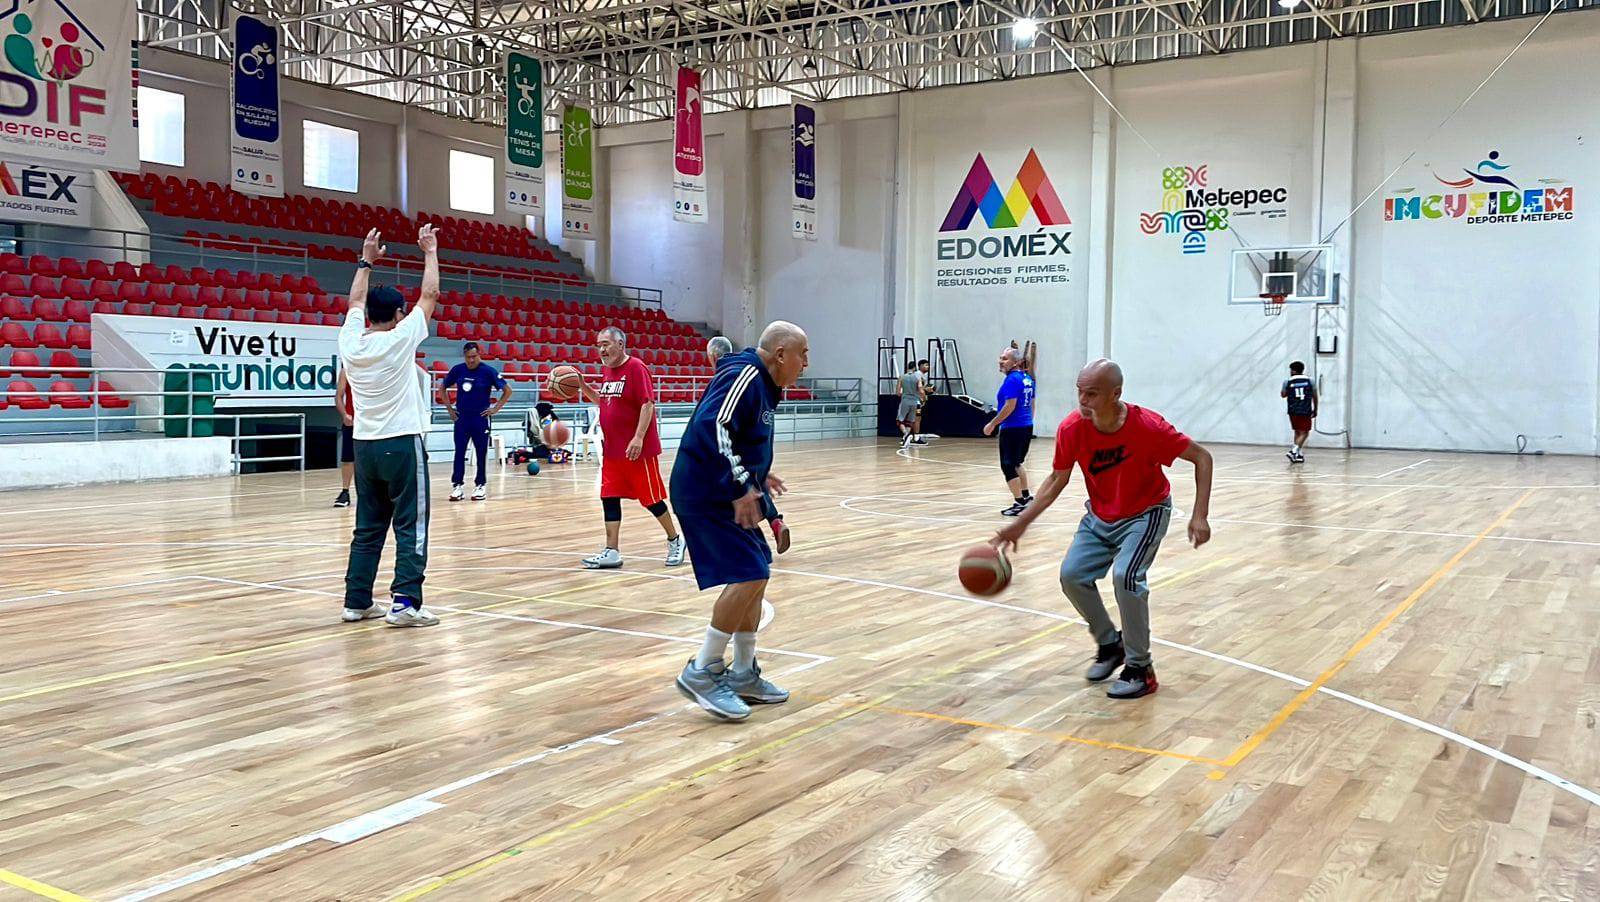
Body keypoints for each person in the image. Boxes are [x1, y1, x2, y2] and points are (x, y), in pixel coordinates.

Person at [992, 358, 1213, 699]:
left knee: (1126, 577)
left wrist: (1200, 515)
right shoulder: (1072, 428)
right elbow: (1056, 480)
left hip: (1145, 512)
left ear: (1116, 394)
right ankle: (1111, 644)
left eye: (1092, 394)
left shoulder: (1148, 427)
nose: (1083, 401)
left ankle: (1141, 668)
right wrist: (1020, 525)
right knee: (1072, 575)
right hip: (1099, 517)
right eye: (1079, 392)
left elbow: (1202, 457)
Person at [672, 321, 809, 721]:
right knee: (748, 574)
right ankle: (703, 668)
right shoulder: (744, 373)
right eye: (803, 352)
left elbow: (737, 435)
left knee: (758, 574)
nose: (806, 362)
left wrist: (756, 473)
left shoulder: (766, 384)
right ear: (780, 353)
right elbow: (713, 426)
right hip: (706, 491)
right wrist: (739, 485)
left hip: (726, 488)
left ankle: (744, 673)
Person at [339, 225, 442, 627]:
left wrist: (366, 259)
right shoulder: (400, 338)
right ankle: (406, 604)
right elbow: (430, 295)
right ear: (398, 314)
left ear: (367, 315)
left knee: (367, 527)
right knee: (411, 524)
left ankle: (357, 601)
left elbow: (353, 299)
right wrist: (429, 251)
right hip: (400, 443)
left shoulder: (350, 340)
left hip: (364, 446)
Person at [575, 326, 685, 569]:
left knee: (652, 500)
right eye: (599, 345)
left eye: (606, 344)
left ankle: (675, 540)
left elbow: (648, 404)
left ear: (621, 345)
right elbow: (604, 402)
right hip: (613, 451)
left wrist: (638, 437)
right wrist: (583, 387)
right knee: (609, 497)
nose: (602, 349)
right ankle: (611, 550)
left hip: (638, 451)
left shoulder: (636, 367)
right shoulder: (607, 372)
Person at [707, 335, 790, 554]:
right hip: (753, 450)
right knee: (755, 484)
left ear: (713, 356)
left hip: (734, 450)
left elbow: (717, 425)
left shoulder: (731, 376)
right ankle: (775, 522)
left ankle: (738, 539)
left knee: (743, 493)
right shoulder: (750, 375)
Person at [440, 342, 512, 501]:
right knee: (459, 452)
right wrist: (450, 409)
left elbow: (508, 390)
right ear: (464, 357)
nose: (471, 360)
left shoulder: (488, 371)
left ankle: (480, 486)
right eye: (468, 357)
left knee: (481, 453)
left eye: (474, 357)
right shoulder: (458, 370)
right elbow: (442, 388)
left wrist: (495, 409)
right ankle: (457, 486)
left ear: (479, 354)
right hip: (462, 418)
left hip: (480, 418)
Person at [983, 344, 1037, 516]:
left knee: (1007, 465)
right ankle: (1026, 496)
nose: (1000, 361)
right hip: (1025, 426)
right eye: (1000, 358)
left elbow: (1009, 405)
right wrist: (1029, 420)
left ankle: (1019, 502)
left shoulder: (1012, 380)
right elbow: (1032, 403)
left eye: (1004, 359)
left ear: (1016, 362)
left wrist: (993, 423)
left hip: (1013, 428)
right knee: (1016, 463)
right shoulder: (1027, 378)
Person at [1282, 361, 1317, 463]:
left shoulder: (1287, 381)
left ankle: (1298, 454)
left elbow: (1283, 394)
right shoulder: (1310, 381)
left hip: (1292, 410)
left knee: (1298, 431)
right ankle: (1294, 451)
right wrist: (1316, 409)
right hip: (1305, 409)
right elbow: (1315, 396)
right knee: (1305, 432)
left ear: (1293, 370)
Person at [333, 369, 355, 508]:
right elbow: (338, 397)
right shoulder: (346, 371)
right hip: (352, 420)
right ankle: (345, 492)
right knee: (348, 458)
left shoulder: (374, 367)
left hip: (372, 421)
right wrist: (344, 415)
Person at [895, 360, 925, 447]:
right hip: (915, 401)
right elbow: (920, 389)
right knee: (910, 421)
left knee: (899, 420)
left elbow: (898, 392)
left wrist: (903, 393)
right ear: (915, 368)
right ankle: (906, 439)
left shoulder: (902, 377)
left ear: (907, 367)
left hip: (905, 400)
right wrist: (923, 398)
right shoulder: (917, 378)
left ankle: (906, 434)